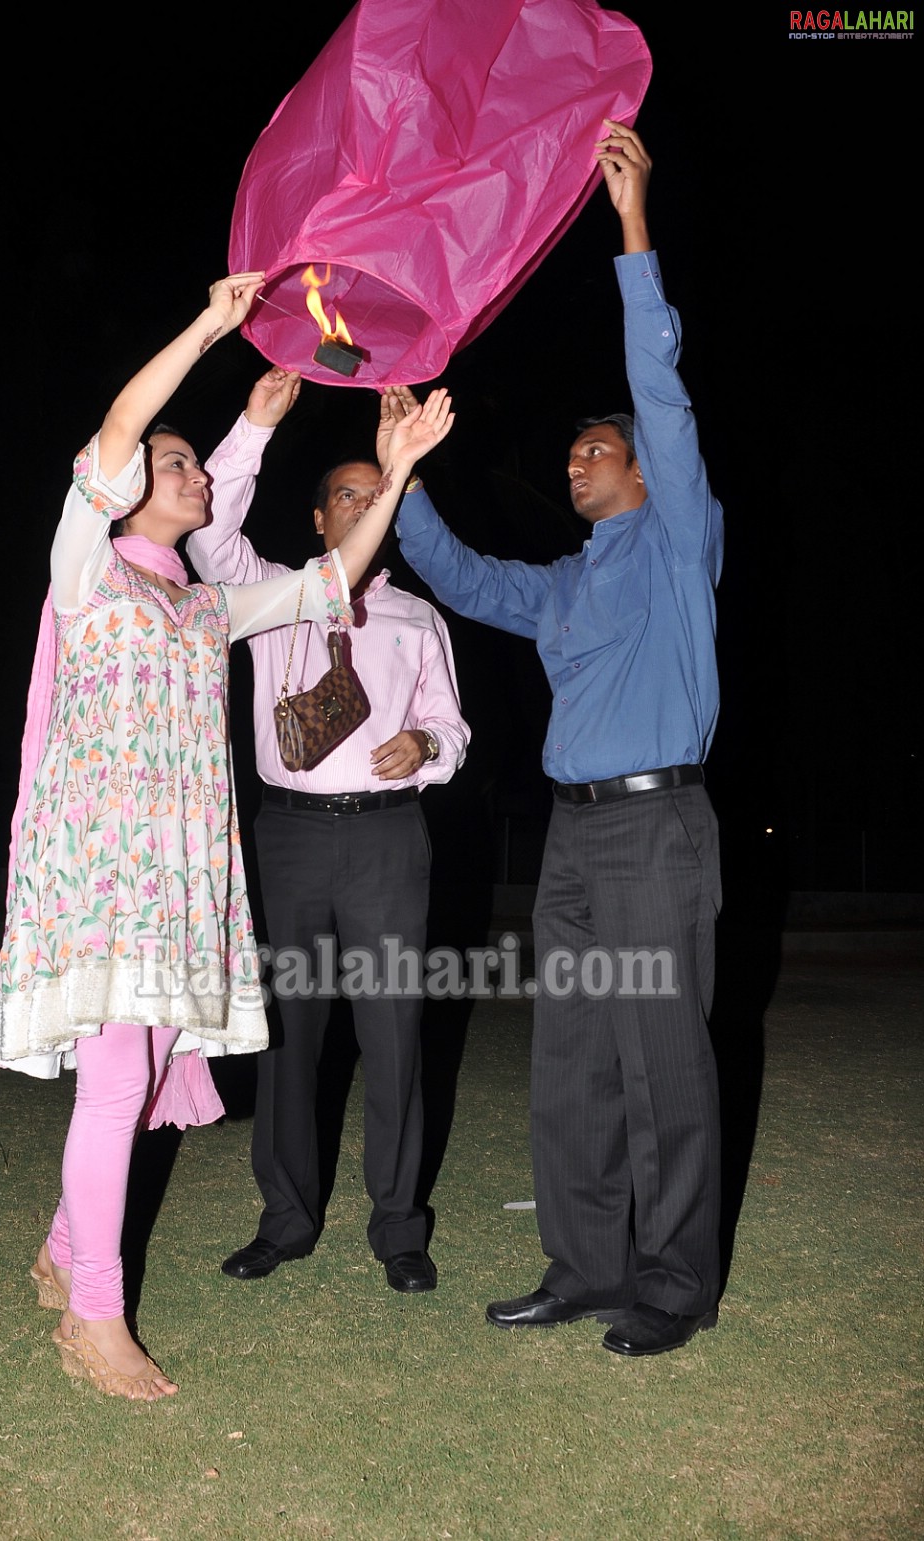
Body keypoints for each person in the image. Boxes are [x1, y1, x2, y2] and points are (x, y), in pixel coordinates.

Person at [0, 273, 454, 1400]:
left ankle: (61, 1245)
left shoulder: (202, 604)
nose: (199, 477)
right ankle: (94, 1309)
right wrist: (207, 324)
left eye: (199, 464)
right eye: (183, 464)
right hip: (101, 864)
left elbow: (333, 579)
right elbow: (119, 429)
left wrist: (396, 475)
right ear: (136, 484)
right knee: (113, 1082)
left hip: (180, 874)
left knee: (140, 1070)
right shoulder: (89, 567)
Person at [394, 121, 724, 1356]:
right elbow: (471, 582)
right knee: (575, 1061)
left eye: (597, 452)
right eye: (575, 451)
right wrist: (407, 483)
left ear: (641, 473)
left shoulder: (680, 542)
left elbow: (663, 398)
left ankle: (672, 1284)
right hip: (578, 845)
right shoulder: (569, 583)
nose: (578, 462)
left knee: (663, 1064)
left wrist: (633, 233)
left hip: (657, 826)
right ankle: (583, 1267)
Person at [187, 373, 470, 1295]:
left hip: (389, 841)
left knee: (393, 1034)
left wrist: (425, 743)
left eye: (370, 490)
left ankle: (398, 1228)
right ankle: (285, 1219)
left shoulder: (415, 617)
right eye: (344, 495)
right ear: (317, 521)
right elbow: (207, 537)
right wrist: (254, 425)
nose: (358, 504)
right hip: (293, 841)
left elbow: (453, 728)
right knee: (289, 1035)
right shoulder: (270, 592)